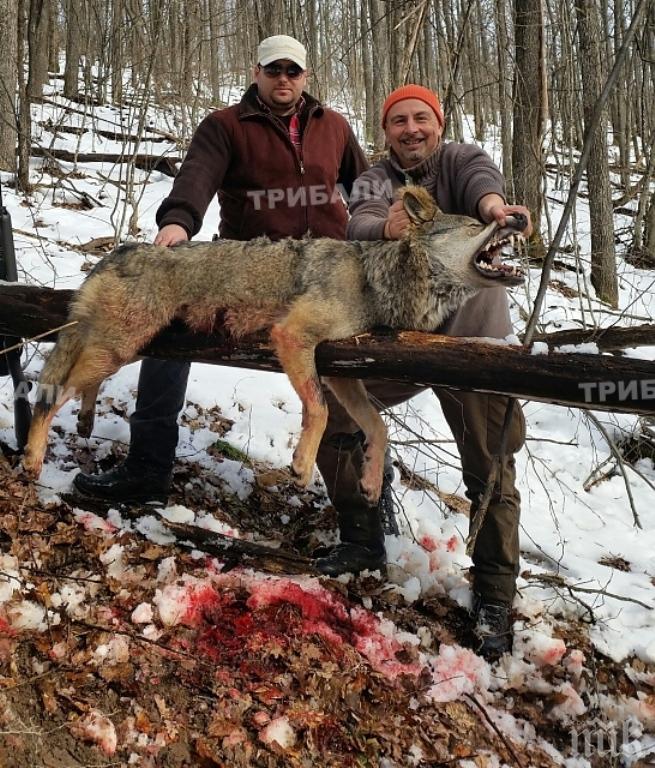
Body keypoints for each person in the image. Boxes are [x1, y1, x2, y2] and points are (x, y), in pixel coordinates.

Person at [73, 35, 368, 503]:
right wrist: (177, 223)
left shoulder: (333, 126)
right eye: (274, 70)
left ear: (306, 77)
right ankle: (146, 472)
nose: (283, 79)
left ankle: (366, 507)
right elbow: (197, 176)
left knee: (349, 374)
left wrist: (377, 235)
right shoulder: (226, 125)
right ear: (257, 72)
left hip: (325, 278)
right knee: (167, 332)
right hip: (244, 274)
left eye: (293, 70)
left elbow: (365, 188)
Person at [313, 84, 532, 658]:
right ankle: (362, 535)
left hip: (473, 341)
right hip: (399, 340)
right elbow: (356, 222)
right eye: (398, 122)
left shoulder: (461, 161)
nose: (411, 130)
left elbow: (485, 189)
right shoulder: (375, 179)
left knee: (490, 465)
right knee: (334, 414)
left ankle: (493, 593)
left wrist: (494, 212)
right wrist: (383, 229)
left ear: (438, 123)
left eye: (421, 119)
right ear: (385, 132)